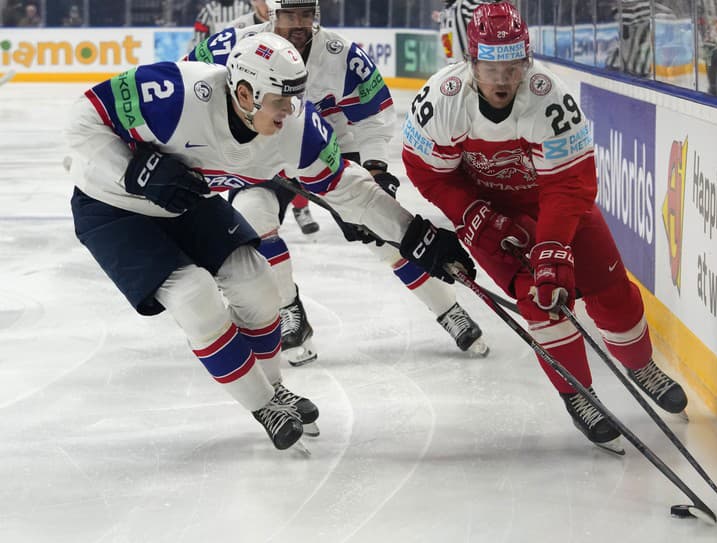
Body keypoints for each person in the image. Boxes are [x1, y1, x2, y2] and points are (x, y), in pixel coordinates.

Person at [65, 32, 475, 451]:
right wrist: (133, 169)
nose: (291, 110)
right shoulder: (177, 92)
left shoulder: (296, 127)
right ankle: (262, 404)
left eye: (294, 98)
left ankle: (274, 389)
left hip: (184, 196)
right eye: (281, 100)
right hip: (111, 204)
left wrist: (416, 235)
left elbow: (352, 190)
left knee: (257, 282)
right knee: (193, 295)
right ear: (244, 93)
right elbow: (82, 117)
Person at [402, 2, 689, 451]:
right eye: (491, 67)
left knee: (611, 287)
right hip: (487, 215)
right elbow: (427, 171)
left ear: (526, 60)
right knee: (540, 303)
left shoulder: (549, 97)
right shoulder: (443, 99)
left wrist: (553, 249)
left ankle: (640, 364)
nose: (502, 79)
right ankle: (579, 395)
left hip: (555, 205)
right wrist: (470, 212)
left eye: (513, 66)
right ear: (472, 60)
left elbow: (569, 185)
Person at [187, 0, 490, 366]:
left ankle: (448, 309)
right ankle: (288, 310)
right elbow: (194, 86)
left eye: (305, 14)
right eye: (288, 15)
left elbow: (374, 114)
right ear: (271, 15)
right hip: (265, 153)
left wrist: (376, 169)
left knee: (382, 236)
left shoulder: (341, 54)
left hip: (330, 153)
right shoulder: (234, 44)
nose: (298, 24)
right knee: (253, 220)